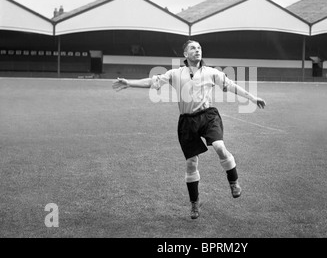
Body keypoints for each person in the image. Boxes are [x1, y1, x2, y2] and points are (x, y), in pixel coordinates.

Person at [112, 40, 266, 219]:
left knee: (219, 146)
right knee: (191, 162)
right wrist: (129, 83)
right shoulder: (175, 73)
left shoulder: (211, 72)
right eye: (193, 48)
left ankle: (233, 182)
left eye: (199, 48)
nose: (197, 50)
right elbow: (153, 82)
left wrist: (252, 97)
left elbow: (231, 86)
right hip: (187, 121)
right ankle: (194, 204)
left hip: (208, 116)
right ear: (185, 54)